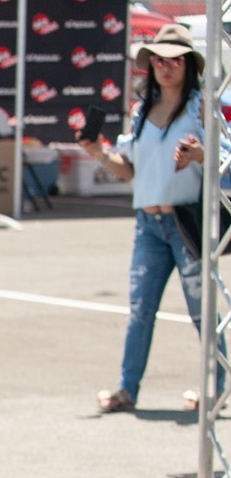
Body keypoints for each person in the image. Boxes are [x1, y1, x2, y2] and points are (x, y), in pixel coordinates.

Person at [80, 23, 225, 413]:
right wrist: (97, 152)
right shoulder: (141, 111)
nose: (165, 66)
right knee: (140, 310)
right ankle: (127, 389)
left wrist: (199, 155)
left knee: (202, 311)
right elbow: (130, 170)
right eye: (158, 59)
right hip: (148, 224)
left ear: (189, 65)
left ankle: (220, 389)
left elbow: (224, 160)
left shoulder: (201, 107)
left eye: (174, 59)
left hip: (186, 224)